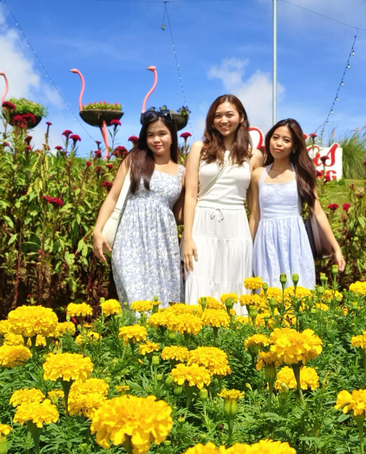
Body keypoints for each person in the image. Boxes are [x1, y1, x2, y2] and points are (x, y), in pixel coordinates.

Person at [92, 111, 184, 306]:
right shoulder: (134, 160)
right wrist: (97, 230)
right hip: (130, 241)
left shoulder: (181, 172)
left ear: (172, 136)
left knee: (165, 306)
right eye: (150, 135)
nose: (156, 140)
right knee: (136, 303)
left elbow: (180, 214)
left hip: (164, 246)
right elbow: (113, 197)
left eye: (162, 134)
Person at [182, 95, 264, 309]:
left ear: (241, 117)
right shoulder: (199, 148)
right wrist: (187, 237)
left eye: (229, 114)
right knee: (199, 281)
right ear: (211, 119)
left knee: (235, 286)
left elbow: (253, 207)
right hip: (202, 223)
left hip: (236, 226)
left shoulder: (253, 155)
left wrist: (251, 240)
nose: (223, 120)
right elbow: (191, 194)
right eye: (218, 115)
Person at [248, 118, 345, 289]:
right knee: (267, 293)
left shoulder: (301, 174)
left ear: (294, 146)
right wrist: (248, 249)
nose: (279, 143)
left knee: (298, 292)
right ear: (269, 139)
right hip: (266, 241)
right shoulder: (258, 175)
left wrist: (336, 248)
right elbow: (255, 216)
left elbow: (318, 212)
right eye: (275, 137)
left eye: (286, 140)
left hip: (295, 240)